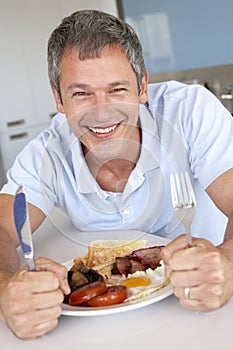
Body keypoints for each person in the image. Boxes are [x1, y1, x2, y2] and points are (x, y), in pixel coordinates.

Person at [0, 9, 233, 340]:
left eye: (117, 90)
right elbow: (4, 227)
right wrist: (5, 290)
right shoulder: (45, 153)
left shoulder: (189, 111)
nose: (102, 111)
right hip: (99, 333)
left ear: (142, 87)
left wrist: (228, 261)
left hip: (204, 311)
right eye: (81, 93)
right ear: (58, 99)